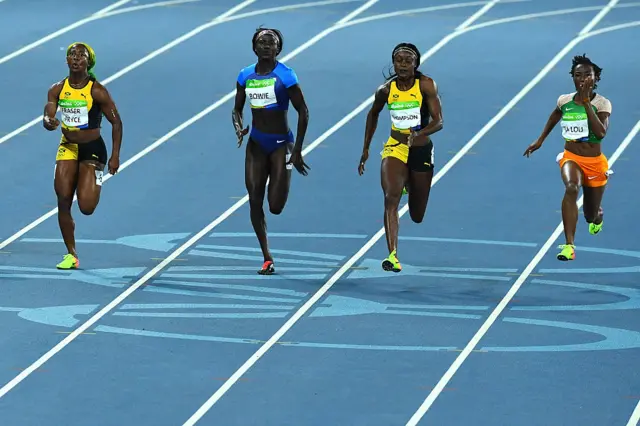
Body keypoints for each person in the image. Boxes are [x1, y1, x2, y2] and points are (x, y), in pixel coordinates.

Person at [358, 43, 443, 273]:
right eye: (399, 60)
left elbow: (439, 122)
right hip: (395, 146)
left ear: (416, 64)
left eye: (408, 60)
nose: (403, 64)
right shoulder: (385, 90)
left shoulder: (425, 85)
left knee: (417, 214)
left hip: (421, 148)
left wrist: (419, 134)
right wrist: (366, 149)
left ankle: (409, 184)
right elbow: (372, 114)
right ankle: (392, 255)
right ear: (393, 63)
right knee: (390, 196)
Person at [232, 27, 310, 275]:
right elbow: (237, 108)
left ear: (278, 48)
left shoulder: (286, 76)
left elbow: (303, 112)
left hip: (281, 145)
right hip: (256, 144)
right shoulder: (245, 75)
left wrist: (297, 150)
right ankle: (267, 257)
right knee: (254, 198)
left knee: (275, 206)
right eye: (261, 42)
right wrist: (238, 127)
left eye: (271, 43)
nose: (266, 46)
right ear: (254, 47)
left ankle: (281, 174)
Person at [524, 53, 612, 261]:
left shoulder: (602, 103)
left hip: (595, 163)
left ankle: (597, 217)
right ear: (572, 77)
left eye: (587, 75)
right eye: (577, 75)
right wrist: (540, 140)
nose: (582, 79)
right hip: (571, 156)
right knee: (572, 187)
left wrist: (585, 103)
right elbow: (555, 114)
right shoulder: (564, 100)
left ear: (595, 78)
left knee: (590, 214)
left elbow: (600, 133)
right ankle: (569, 246)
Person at [42, 42, 122, 269]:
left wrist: (115, 156)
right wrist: (49, 122)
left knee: (86, 206)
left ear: (89, 62)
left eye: (81, 55)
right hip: (67, 146)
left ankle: (89, 178)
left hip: (92, 149)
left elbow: (116, 123)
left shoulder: (97, 91)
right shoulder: (57, 89)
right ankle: (71, 254)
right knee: (63, 199)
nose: (76, 58)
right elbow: (48, 113)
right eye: (72, 55)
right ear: (67, 60)